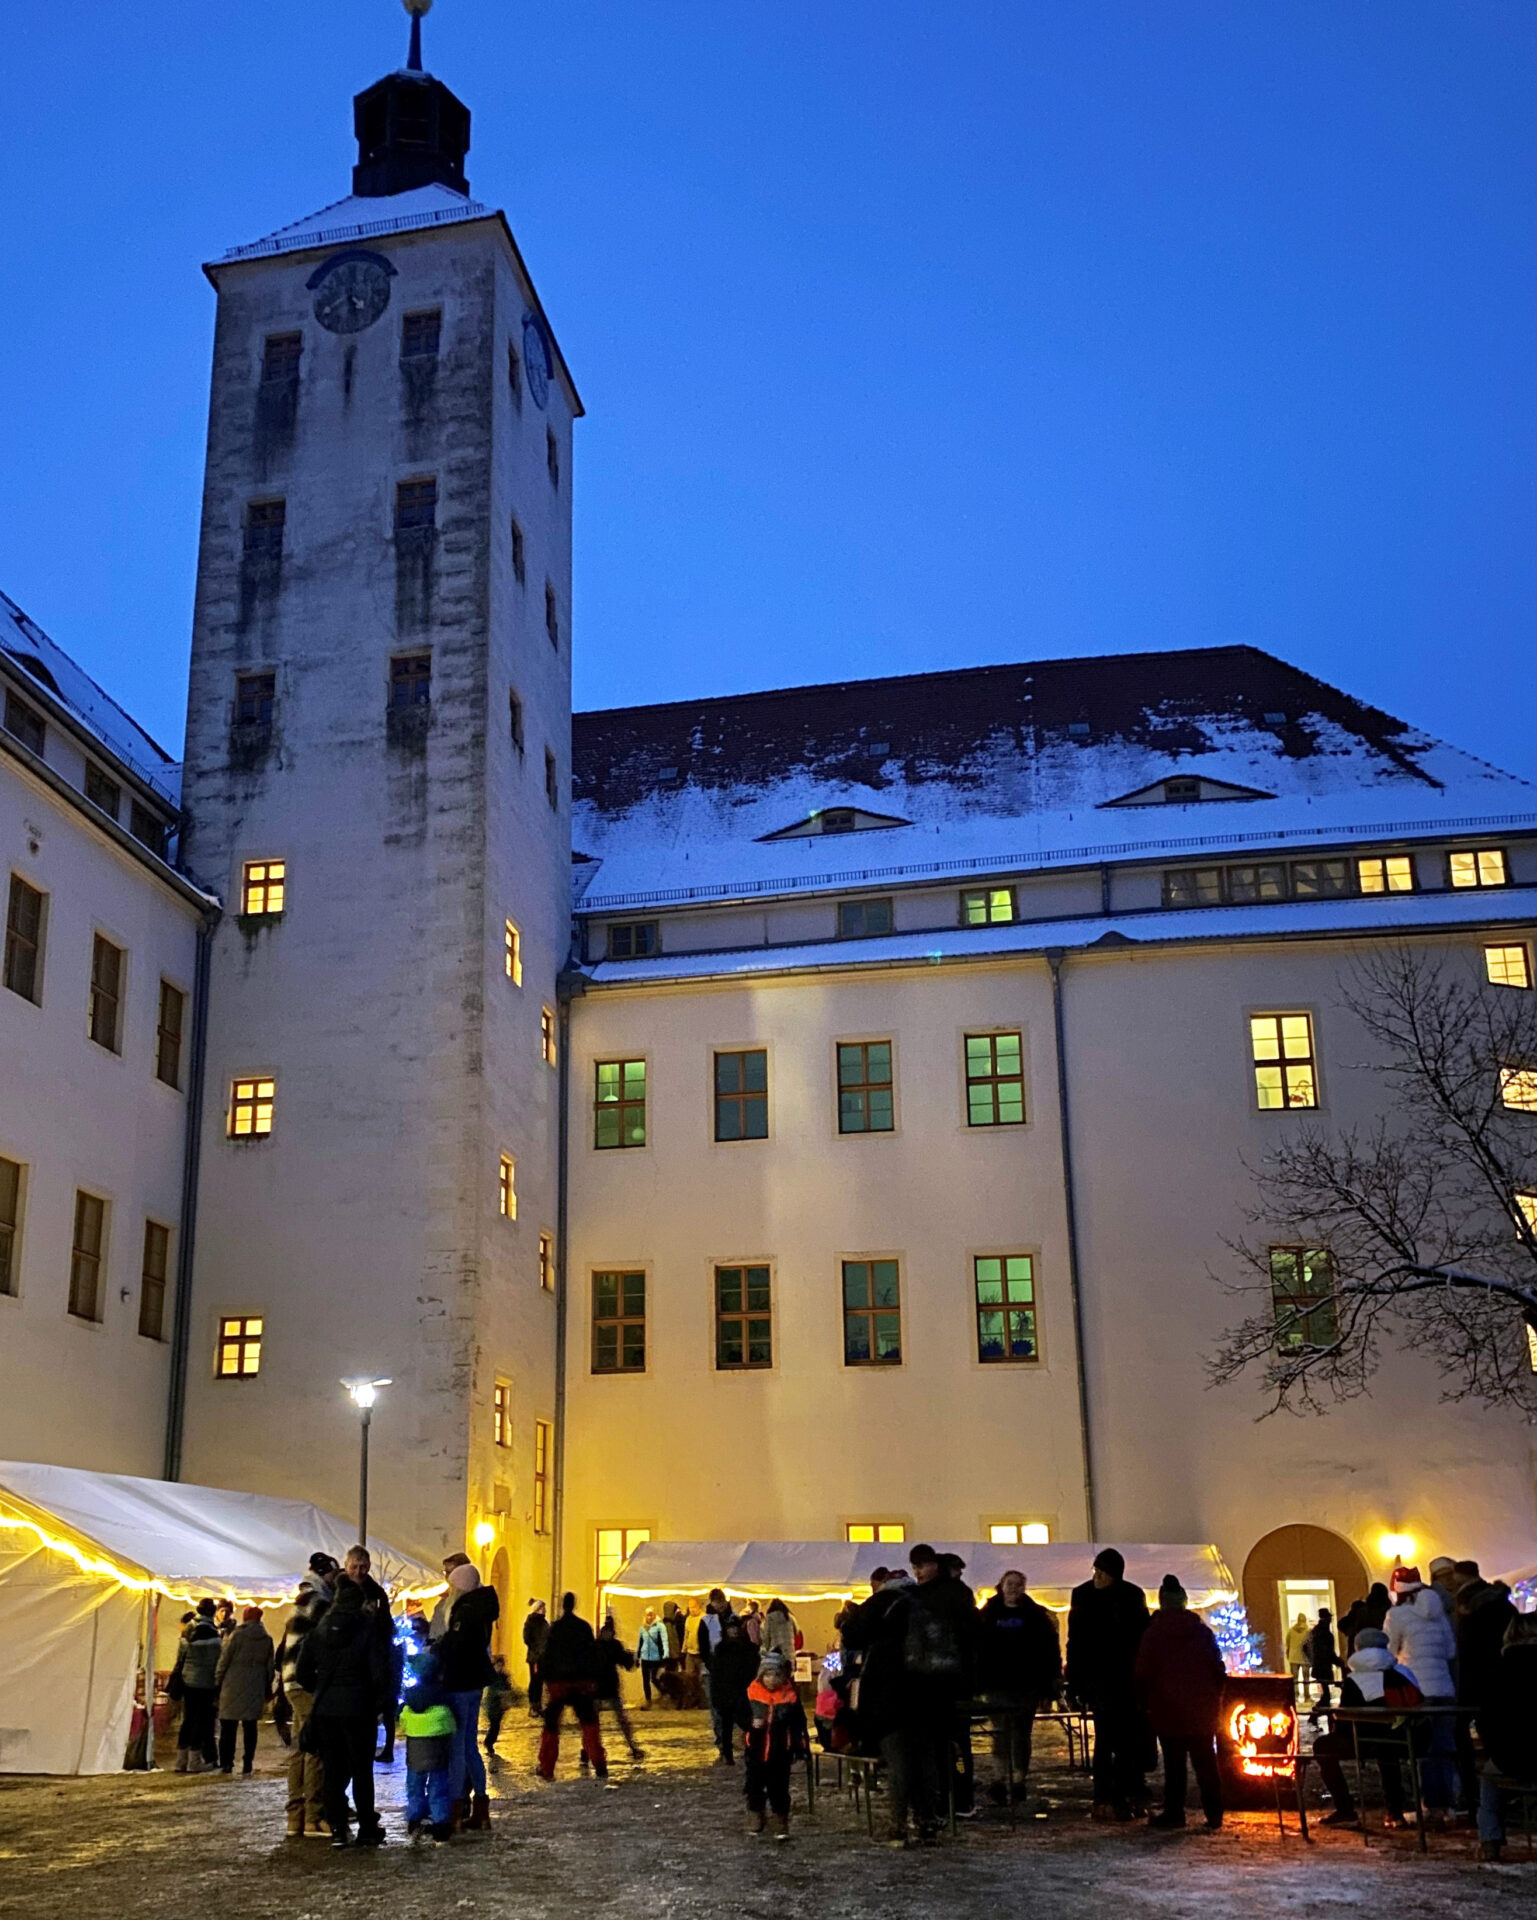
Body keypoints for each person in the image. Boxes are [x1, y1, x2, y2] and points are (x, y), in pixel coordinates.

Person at [294, 1575, 388, 1848]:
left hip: (326, 1711)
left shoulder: (318, 1632)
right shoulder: (366, 1630)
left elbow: (302, 1673)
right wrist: (375, 1699)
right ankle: (367, 1829)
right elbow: (379, 1673)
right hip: (359, 1709)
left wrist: (322, 1688)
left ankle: (337, 1829)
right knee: (361, 1770)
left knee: (333, 1771)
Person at [1065, 1548, 1151, 1821]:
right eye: (1095, 1570)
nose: (1097, 1576)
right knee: (1104, 1739)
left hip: (1125, 1679)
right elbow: (1076, 1641)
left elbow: (1140, 1638)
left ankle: (1124, 1792)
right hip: (1098, 1680)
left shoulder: (1131, 1596)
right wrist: (1075, 1682)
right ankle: (1104, 1795)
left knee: (1126, 1739)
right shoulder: (1083, 1595)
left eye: (1102, 1572)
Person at [1134, 1574, 1225, 1831]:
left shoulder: (1154, 1634)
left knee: (1174, 1765)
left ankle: (1175, 1812)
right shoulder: (1201, 1632)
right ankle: (1214, 1812)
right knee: (1206, 1762)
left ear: (1163, 1602)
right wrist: (1213, 1697)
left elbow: (1143, 1672)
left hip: (1168, 1708)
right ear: (1184, 1602)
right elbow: (1217, 1669)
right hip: (1201, 1709)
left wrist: (1145, 1702)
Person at [1312, 1628, 1424, 1829]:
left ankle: (1345, 1809)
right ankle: (1394, 1811)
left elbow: (1346, 1721)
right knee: (1388, 1752)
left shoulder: (1355, 1679)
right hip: (1408, 1737)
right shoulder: (1403, 1671)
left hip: (1365, 1741)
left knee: (1323, 1746)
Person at [977, 1568, 1061, 1806]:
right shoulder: (989, 1614)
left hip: (1027, 1685)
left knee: (1021, 1733)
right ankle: (1001, 1777)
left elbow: (1048, 1651)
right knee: (1000, 1733)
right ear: (1001, 1586)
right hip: (997, 1684)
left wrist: (1049, 1685)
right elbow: (980, 1649)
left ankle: (1018, 1777)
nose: (1014, 1589)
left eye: (1018, 1585)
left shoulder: (1035, 1616)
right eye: (1010, 1584)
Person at [1383, 1564, 1457, 1814]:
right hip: (1445, 1689)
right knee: (1445, 1746)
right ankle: (1448, 1803)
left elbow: (1389, 1651)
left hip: (1415, 1689)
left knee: (1421, 1748)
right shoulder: (1439, 1614)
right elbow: (1450, 1651)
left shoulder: (1397, 1615)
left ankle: (1429, 1804)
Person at [437, 1561, 499, 1829]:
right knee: (471, 1747)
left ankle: (455, 1810)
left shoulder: (466, 1610)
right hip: (475, 1682)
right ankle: (481, 1809)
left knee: (459, 1750)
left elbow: (457, 1645)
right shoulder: (483, 1607)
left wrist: (441, 1647)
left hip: (462, 1682)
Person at [1452, 1560, 1515, 1822]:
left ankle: (1473, 1793)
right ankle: (1501, 1784)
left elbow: (1466, 1646)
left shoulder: (1469, 1606)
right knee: (1496, 1730)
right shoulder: (1503, 1604)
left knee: (1463, 1731)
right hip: (1501, 1677)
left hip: (1475, 1677)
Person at [277, 1557, 335, 1837]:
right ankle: (313, 1816)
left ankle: (295, 1818)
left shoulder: (300, 1599)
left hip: (291, 1682)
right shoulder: (319, 1602)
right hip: (307, 1682)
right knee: (316, 1749)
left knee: (300, 1750)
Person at [1476, 1610, 1537, 1860]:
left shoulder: (1496, 1670)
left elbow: (1485, 1718)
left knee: (1489, 1783)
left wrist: (1493, 1747)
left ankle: (1490, 1841)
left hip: (1508, 1755)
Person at [537, 1593, 609, 1781]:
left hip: (559, 1683)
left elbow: (546, 1656)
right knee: (589, 1725)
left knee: (551, 1726)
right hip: (581, 1684)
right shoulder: (583, 1627)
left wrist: (544, 1680)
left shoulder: (555, 1628)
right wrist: (594, 1680)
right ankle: (599, 1764)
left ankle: (547, 1767)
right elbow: (592, 1654)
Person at [400, 1615, 457, 1844]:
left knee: (414, 1784)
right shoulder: (444, 1696)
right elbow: (454, 1720)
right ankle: (441, 1822)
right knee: (439, 1784)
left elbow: (401, 1719)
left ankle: (415, 1819)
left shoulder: (410, 1698)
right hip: (439, 1748)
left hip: (415, 1751)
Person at [743, 1648, 809, 1841]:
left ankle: (781, 1821)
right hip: (756, 1748)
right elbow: (741, 1714)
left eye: (776, 1675)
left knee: (779, 1787)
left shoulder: (790, 1696)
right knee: (754, 1785)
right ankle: (756, 1815)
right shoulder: (751, 1693)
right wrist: (750, 1724)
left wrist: (800, 1747)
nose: (771, 1679)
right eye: (768, 1674)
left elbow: (799, 1723)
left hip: (780, 1750)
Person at [215, 1606, 275, 1776]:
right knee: (250, 1726)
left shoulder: (237, 1635)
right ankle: (248, 1761)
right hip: (255, 1684)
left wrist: (218, 1680)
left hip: (232, 1684)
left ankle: (227, 1762)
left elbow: (224, 1660)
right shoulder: (266, 1639)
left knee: (228, 1725)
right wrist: (266, 1684)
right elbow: (270, 1667)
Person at [171, 1598, 224, 1773]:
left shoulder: (188, 1628)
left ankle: (181, 1760)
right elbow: (216, 1661)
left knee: (187, 1720)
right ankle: (195, 1761)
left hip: (188, 1680)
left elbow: (181, 1657)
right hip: (205, 1683)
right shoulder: (212, 1633)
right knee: (200, 1722)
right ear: (213, 1612)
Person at [708, 1614, 761, 1766]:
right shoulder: (721, 1650)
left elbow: (752, 1668)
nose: (734, 1631)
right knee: (727, 1725)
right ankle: (728, 1753)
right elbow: (716, 1674)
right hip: (726, 1692)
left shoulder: (748, 1648)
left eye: (736, 1628)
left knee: (746, 1722)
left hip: (743, 1691)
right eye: (731, 1628)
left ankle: (752, 1749)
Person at [592, 1615, 644, 1762]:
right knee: (619, 1719)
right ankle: (632, 1746)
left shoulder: (598, 1645)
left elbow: (624, 1661)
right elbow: (625, 1662)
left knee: (596, 1721)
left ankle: (588, 1750)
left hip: (601, 1686)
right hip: (606, 1686)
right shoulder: (611, 1645)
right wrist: (633, 1660)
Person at [1304, 1609, 1338, 1723]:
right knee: (1326, 1694)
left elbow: (1305, 1647)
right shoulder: (1325, 1634)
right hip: (1324, 1667)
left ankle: (1321, 1715)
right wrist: (1338, 1662)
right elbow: (1328, 1652)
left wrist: (1312, 1660)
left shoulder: (1314, 1632)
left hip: (1319, 1666)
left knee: (1326, 1693)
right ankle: (1316, 1714)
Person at [483, 1655, 515, 1768]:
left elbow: (508, 1688)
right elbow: (496, 1692)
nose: (500, 1667)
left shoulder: (503, 1677)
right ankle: (488, 1742)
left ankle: (489, 1742)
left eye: (501, 1665)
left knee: (496, 1725)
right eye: (498, 1665)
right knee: (494, 1725)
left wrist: (508, 1699)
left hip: (500, 1707)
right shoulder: (492, 1677)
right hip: (493, 1706)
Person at [636, 1608, 669, 1706]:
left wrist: (665, 1655)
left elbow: (664, 1641)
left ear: (654, 1615)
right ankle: (648, 1700)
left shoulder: (660, 1626)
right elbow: (640, 1642)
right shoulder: (643, 1628)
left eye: (651, 1614)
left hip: (656, 1657)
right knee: (645, 1680)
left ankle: (664, 1692)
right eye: (647, 1615)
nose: (649, 1617)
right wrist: (637, 1656)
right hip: (645, 1656)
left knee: (654, 1678)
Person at [523, 1599, 549, 1714]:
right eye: (543, 1608)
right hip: (535, 1657)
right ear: (537, 1609)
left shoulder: (544, 1622)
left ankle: (538, 1705)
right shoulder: (532, 1621)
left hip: (543, 1657)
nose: (545, 1610)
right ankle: (533, 1705)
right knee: (535, 1681)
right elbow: (527, 1638)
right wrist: (537, 1649)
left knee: (540, 1681)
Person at [1284, 1613, 1310, 1693]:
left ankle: (1295, 1695)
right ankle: (1307, 1695)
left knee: (1294, 1679)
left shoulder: (1291, 1631)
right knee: (1306, 1678)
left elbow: (1287, 1644)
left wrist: (1288, 1655)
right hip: (1305, 1658)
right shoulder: (1308, 1631)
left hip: (1293, 1657)